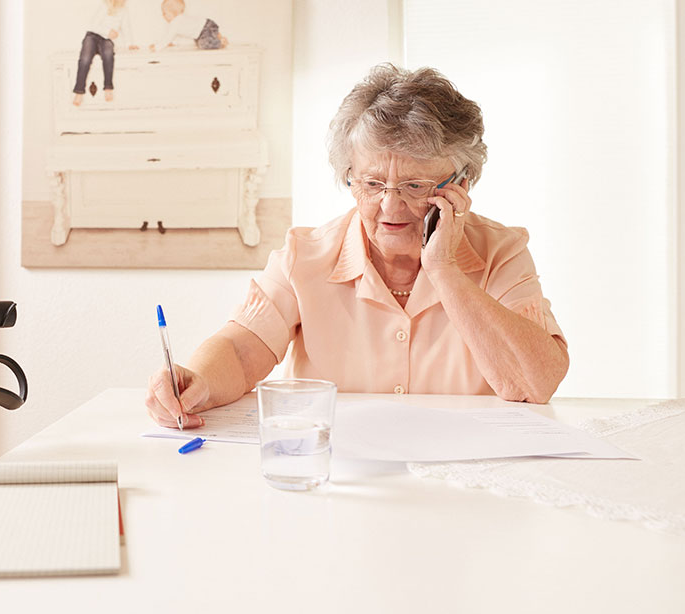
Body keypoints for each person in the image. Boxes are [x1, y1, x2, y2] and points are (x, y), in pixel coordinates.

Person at [146, 64, 569, 428]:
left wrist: (445, 271)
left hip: (467, 479)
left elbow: (535, 385)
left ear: (459, 185)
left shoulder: (502, 252)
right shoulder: (304, 255)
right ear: (349, 176)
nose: (389, 204)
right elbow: (240, 353)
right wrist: (196, 379)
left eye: (414, 186)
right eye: (371, 183)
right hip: (340, 476)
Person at [72, 0, 137, 106]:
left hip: (106, 40)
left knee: (108, 55)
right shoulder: (104, 6)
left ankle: (108, 87)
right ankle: (79, 91)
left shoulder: (124, 10)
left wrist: (129, 44)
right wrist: (108, 32)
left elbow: (126, 27)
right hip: (93, 36)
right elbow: (93, 25)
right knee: (85, 58)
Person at [149, 0, 228, 51]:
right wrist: (172, 43)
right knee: (198, 43)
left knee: (204, 45)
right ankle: (216, 35)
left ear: (172, 13)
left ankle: (220, 42)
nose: (163, 15)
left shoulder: (175, 23)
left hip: (205, 28)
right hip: (206, 26)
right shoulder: (178, 21)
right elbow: (175, 35)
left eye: (164, 13)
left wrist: (156, 47)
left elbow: (168, 37)